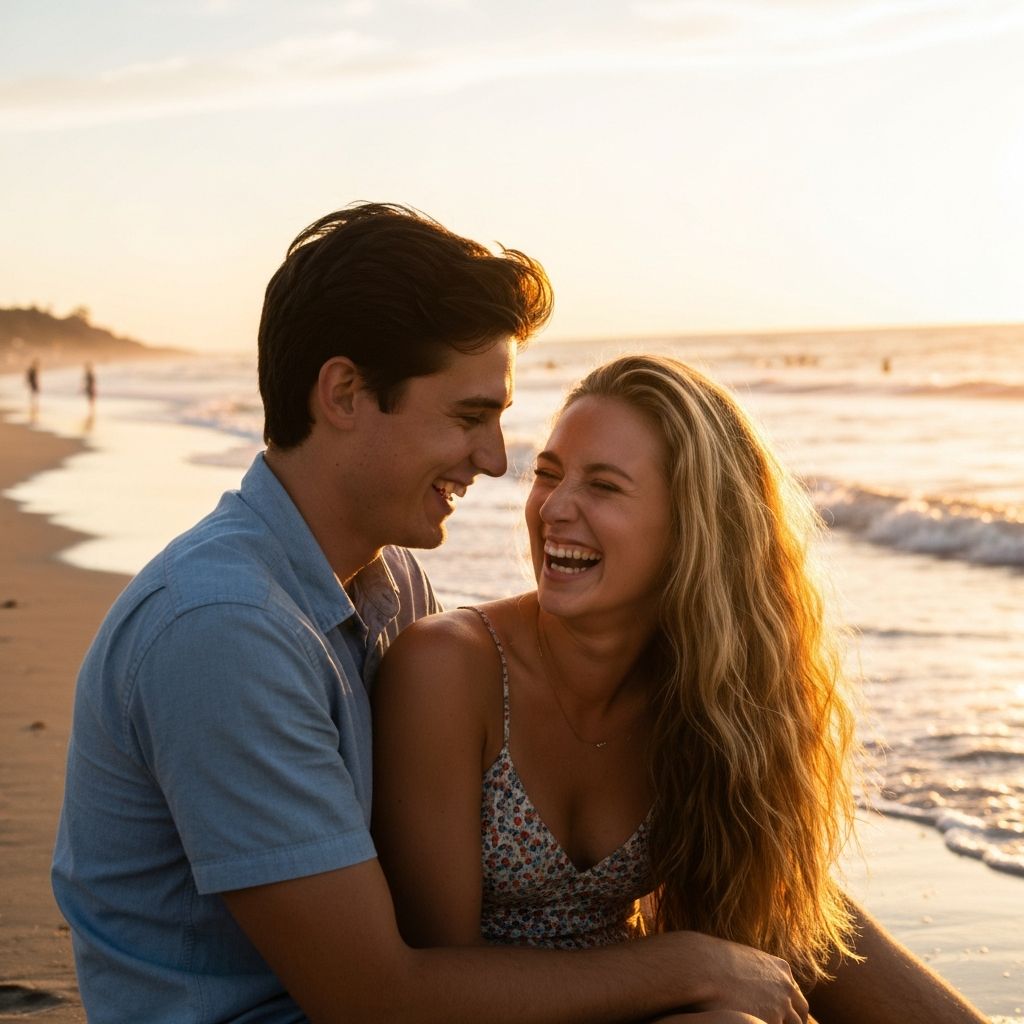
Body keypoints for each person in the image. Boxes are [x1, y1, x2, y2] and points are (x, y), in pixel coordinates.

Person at [52, 206, 809, 1024]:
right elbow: (371, 999)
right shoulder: (223, 629)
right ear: (344, 392)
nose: (496, 460)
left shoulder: (387, 585)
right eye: (469, 416)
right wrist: (683, 965)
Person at [372, 354, 990, 1024]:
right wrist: (685, 969)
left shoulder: (704, 693)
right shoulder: (449, 668)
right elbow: (433, 981)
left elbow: (782, 911)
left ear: (690, 525)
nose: (555, 507)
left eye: (603, 487)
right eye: (547, 475)